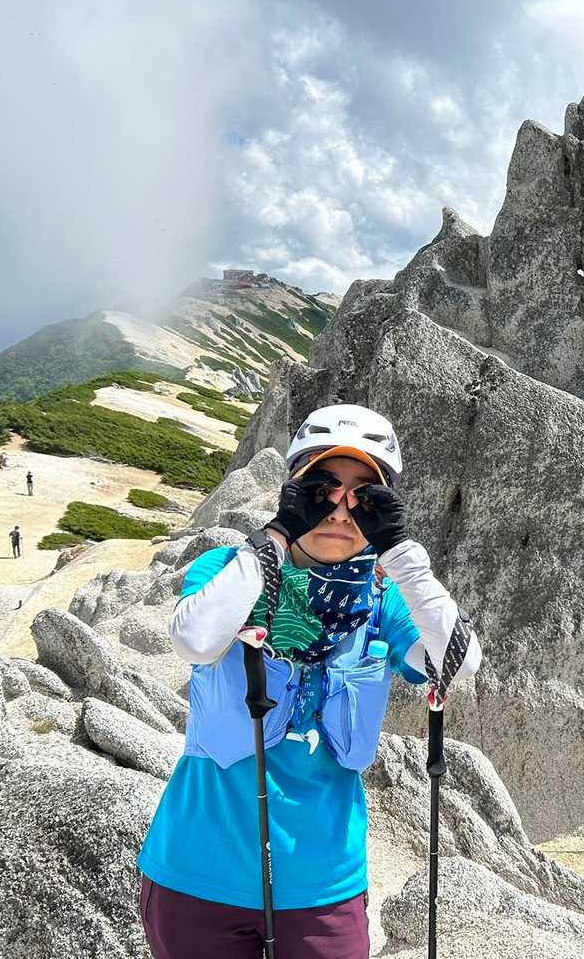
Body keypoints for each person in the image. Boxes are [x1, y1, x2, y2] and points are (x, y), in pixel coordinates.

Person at [137, 404, 482, 959]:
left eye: (364, 497)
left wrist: (400, 554)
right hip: (197, 875)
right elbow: (195, 640)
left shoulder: (383, 602)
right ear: (292, 489)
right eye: (322, 489)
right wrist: (276, 537)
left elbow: (458, 663)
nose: (340, 510)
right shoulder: (231, 570)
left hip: (323, 890)